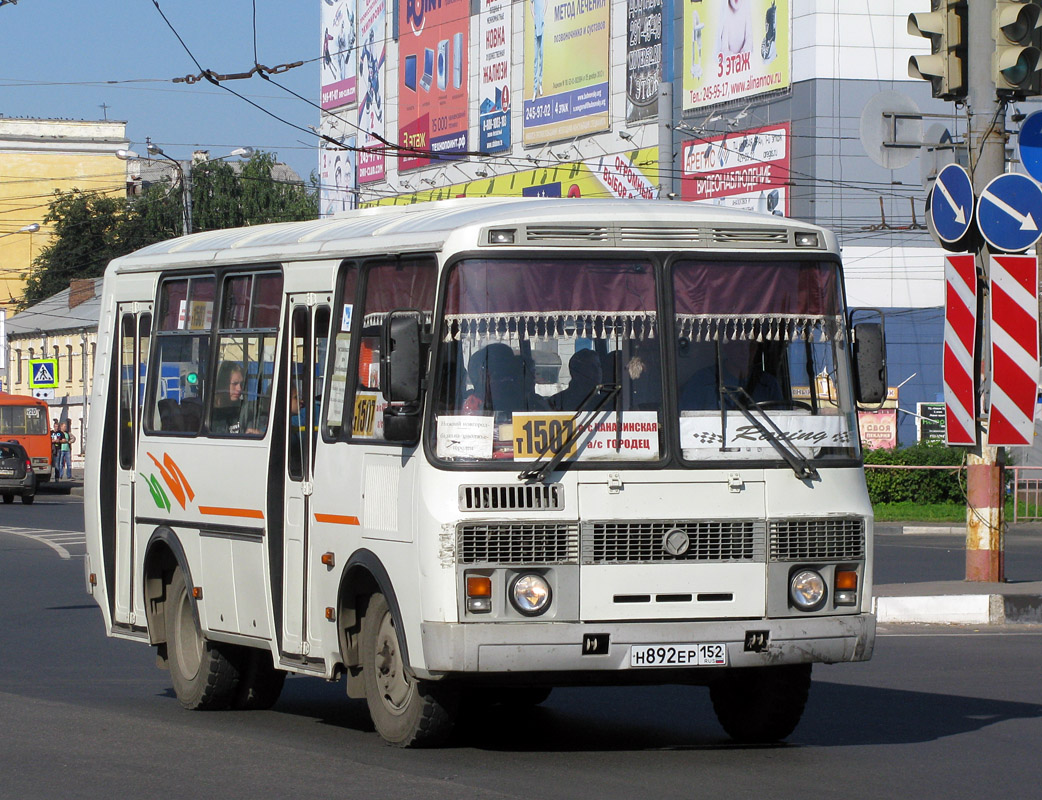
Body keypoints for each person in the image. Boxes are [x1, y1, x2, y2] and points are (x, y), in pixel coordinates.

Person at [679, 340, 782, 410]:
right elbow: (688, 426)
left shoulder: (768, 385)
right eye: (739, 345)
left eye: (751, 345)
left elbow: (781, 422)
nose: (746, 351)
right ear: (726, 348)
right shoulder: (702, 382)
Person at [211, 362, 247, 434]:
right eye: (235, 384)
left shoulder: (244, 409)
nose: (239, 389)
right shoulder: (210, 413)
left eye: (241, 384)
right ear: (224, 384)